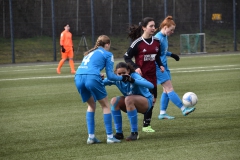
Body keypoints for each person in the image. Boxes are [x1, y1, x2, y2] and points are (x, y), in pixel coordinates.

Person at [74, 35, 129, 144]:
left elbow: (88, 68)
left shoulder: (89, 52)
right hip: (92, 77)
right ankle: (109, 137)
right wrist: (122, 77)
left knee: (91, 105)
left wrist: (97, 76)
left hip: (78, 77)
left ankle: (91, 137)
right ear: (107, 44)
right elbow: (112, 76)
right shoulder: (108, 54)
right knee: (105, 105)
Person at [124, 17, 164, 133]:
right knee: (145, 100)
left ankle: (146, 124)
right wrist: (135, 67)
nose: (153, 28)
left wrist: (160, 65)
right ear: (143, 28)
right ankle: (140, 123)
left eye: (154, 26)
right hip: (141, 77)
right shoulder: (137, 43)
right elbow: (127, 57)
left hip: (152, 76)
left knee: (153, 100)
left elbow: (157, 56)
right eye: (151, 26)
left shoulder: (157, 41)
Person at [154, 16, 195, 120]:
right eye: (171, 30)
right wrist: (159, 66)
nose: (172, 32)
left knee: (165, 90)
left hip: (164, 66)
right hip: (159, 67)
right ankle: (183, 109)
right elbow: (154, 54)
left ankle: (162, 113)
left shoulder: (165, 37)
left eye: (173, 30)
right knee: (169, 88)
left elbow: (162, 52)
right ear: (164, 27)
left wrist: (172, 55)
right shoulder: (157, 38)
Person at [103, 62, 154, 141]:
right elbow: (101, 83)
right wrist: (99, 78)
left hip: (146, 102)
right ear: (116, 73)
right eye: (119, 73)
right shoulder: (116, 78)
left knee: (129, 99)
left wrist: (133, 80)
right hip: (130, 102)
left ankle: (134, 133)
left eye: (124, 73)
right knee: (114, 101)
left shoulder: (134, 76)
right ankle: (119, 133)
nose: (121, 75)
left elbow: (151, 85)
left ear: (128, 71)